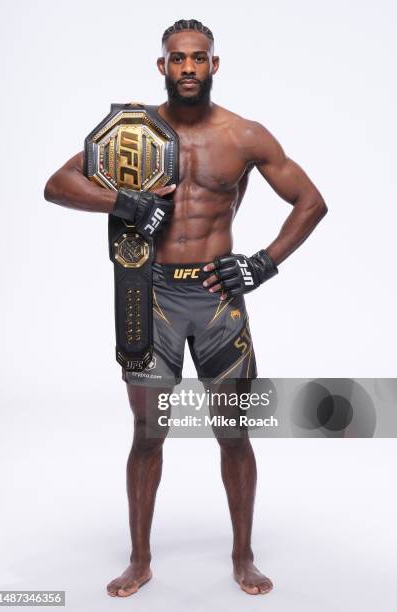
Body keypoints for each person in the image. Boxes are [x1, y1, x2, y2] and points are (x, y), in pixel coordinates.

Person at [44, 18, 327, 597]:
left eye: (199, 58)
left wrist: (262, 263)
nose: (189, 68)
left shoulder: (244, 136)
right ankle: (140, 559)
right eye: (178, 59)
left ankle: (243, 556)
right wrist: (124, 200)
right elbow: (57, 184)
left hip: (219, 299)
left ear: (215, 65)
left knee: (234, 433)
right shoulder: (133, 132)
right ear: (162, 67)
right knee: (148, 434)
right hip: (152, 299)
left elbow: (310, 202)